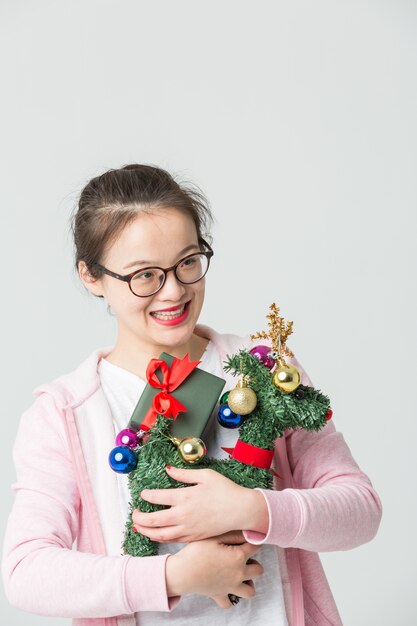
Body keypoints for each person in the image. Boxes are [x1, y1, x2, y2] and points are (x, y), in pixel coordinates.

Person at [2, 164, 382, 626]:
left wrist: (252, 508)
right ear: (91, 275)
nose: (175, 291)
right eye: (144, 275)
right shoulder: (65, 413)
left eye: (187, 262)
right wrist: (174, 576)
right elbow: (25, 570)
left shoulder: (262, 368)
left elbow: (361, 509)